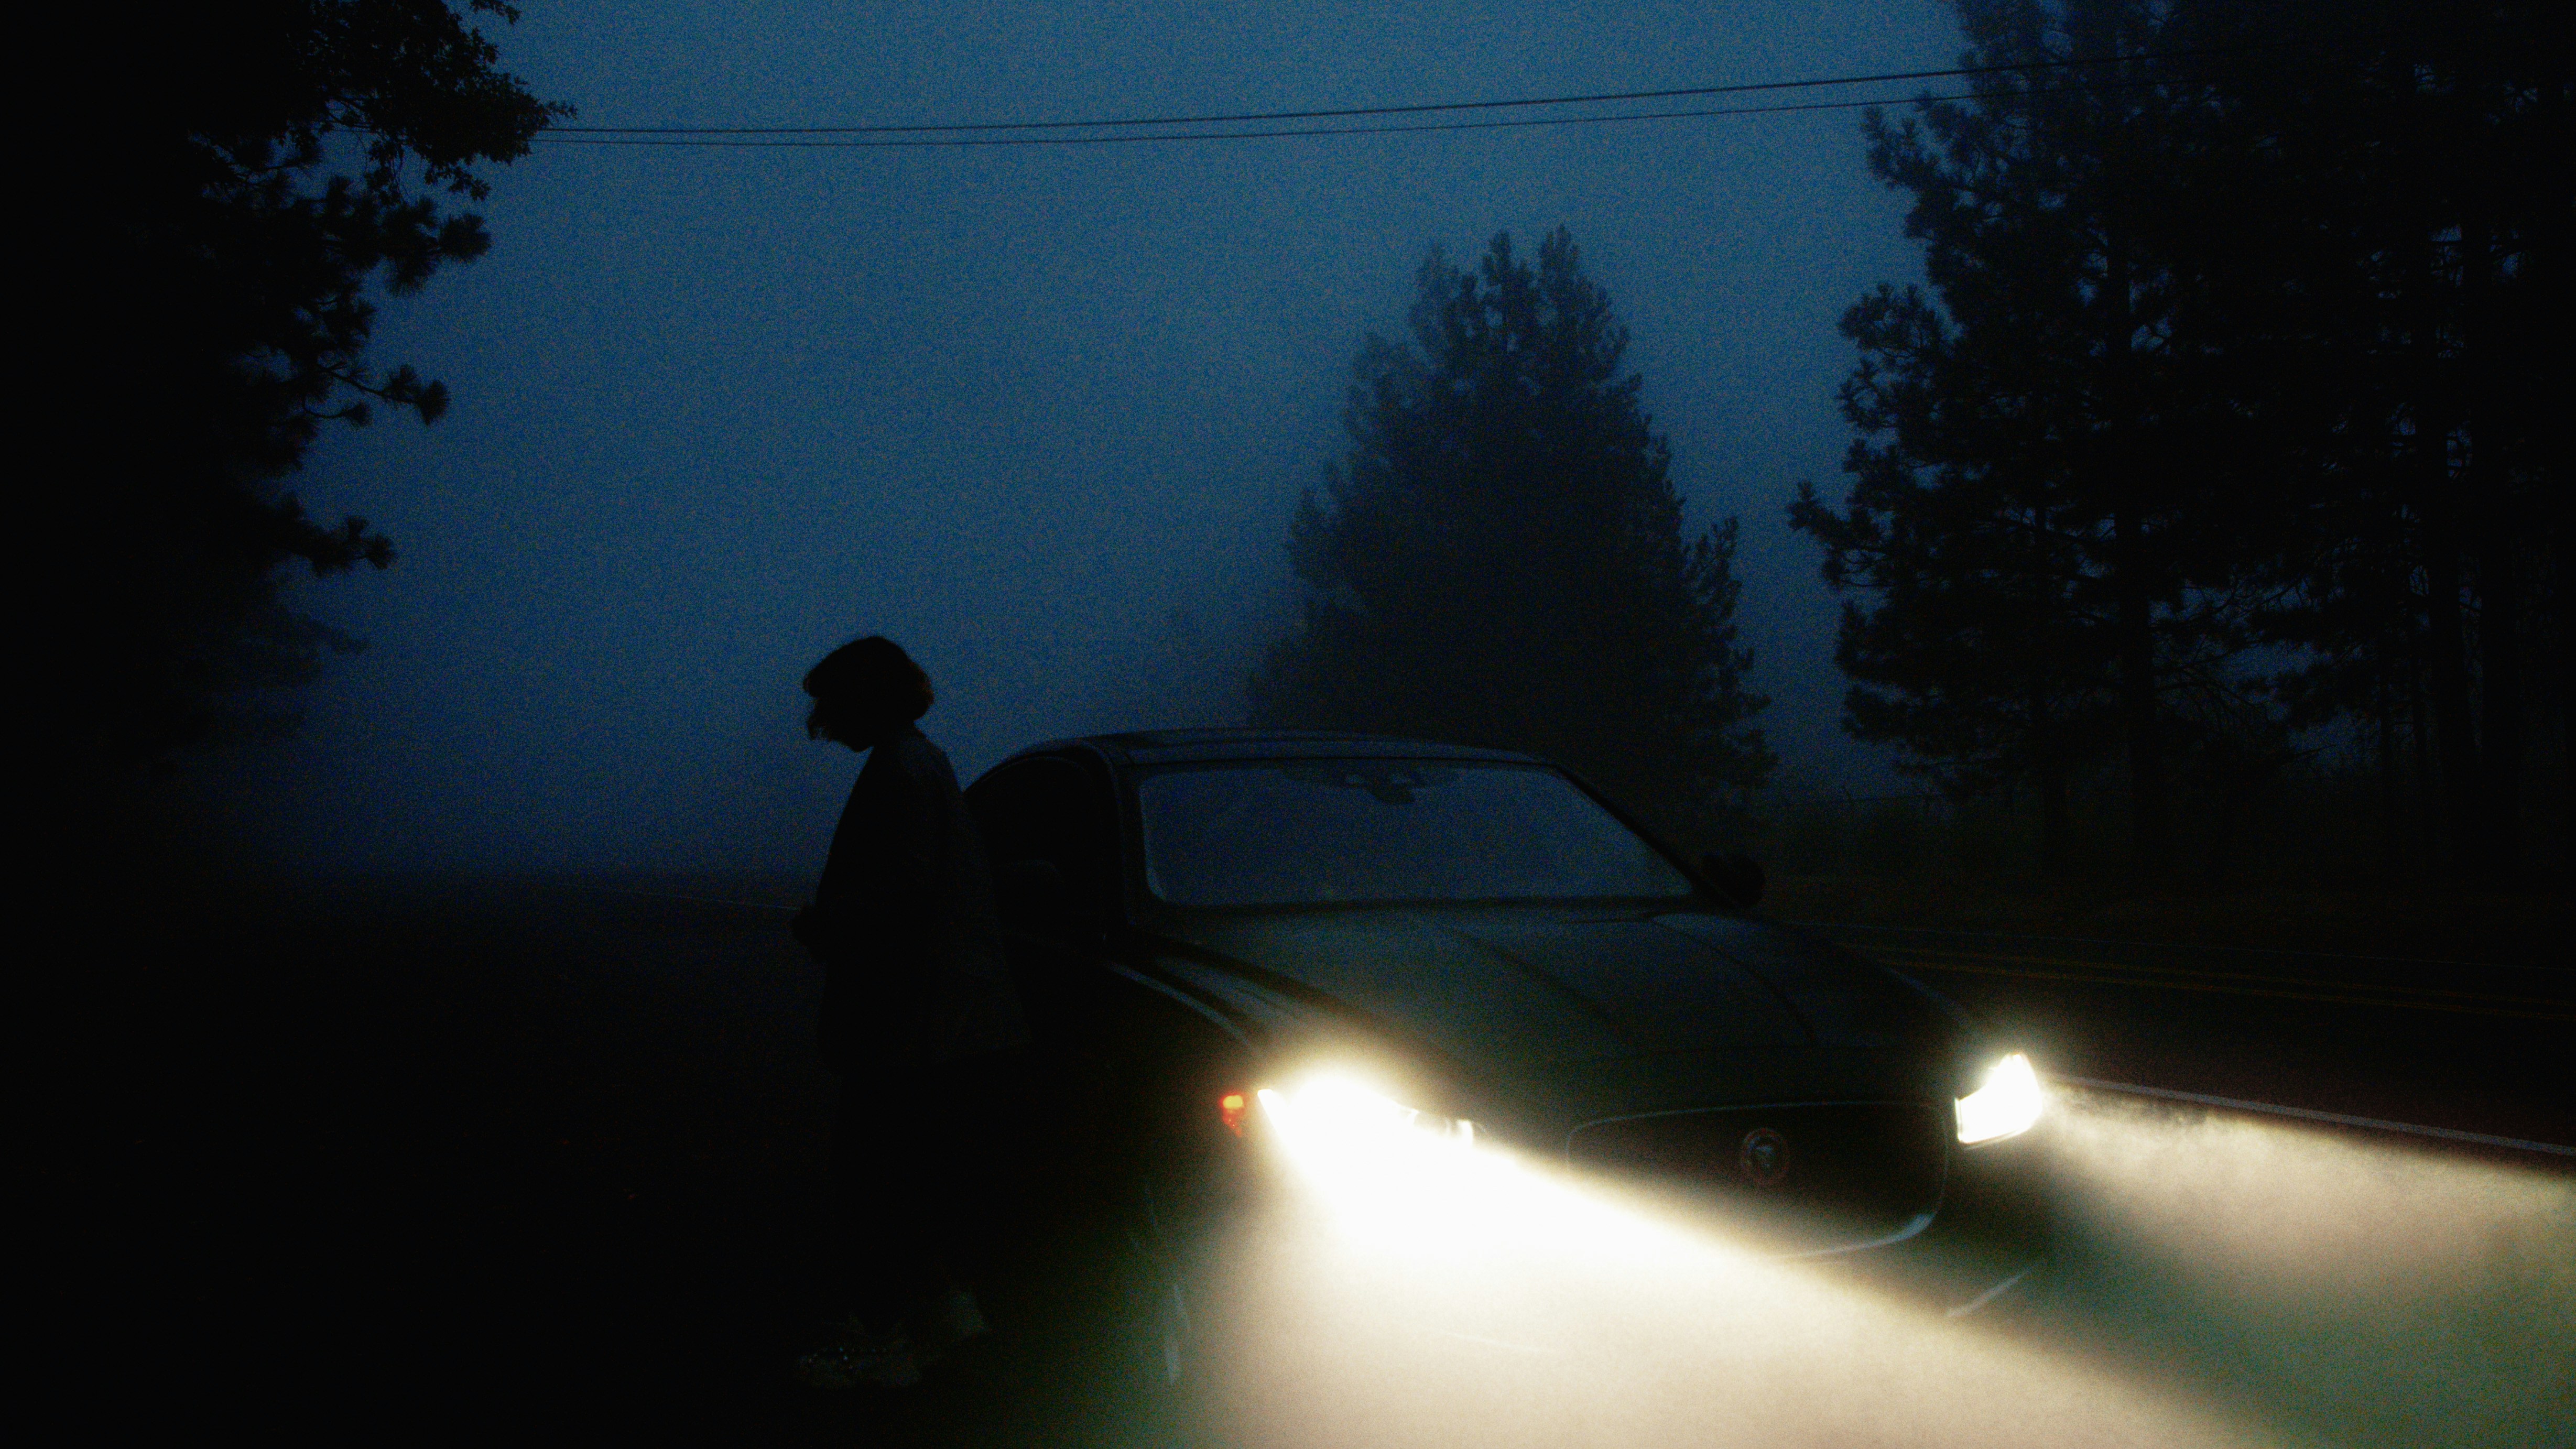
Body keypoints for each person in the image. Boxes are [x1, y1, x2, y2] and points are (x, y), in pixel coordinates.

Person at [789, 636, 1031, 1390]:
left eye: (831, 703)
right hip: (941, 1022)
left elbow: (902, 894)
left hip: (915, 1026)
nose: (822, 721)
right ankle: (951, 1331)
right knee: (918, 1179)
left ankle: (883, 1345)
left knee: (876, 1179)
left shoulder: (900, 770)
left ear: (863, 699)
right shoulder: (921, 762)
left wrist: (831, 926)